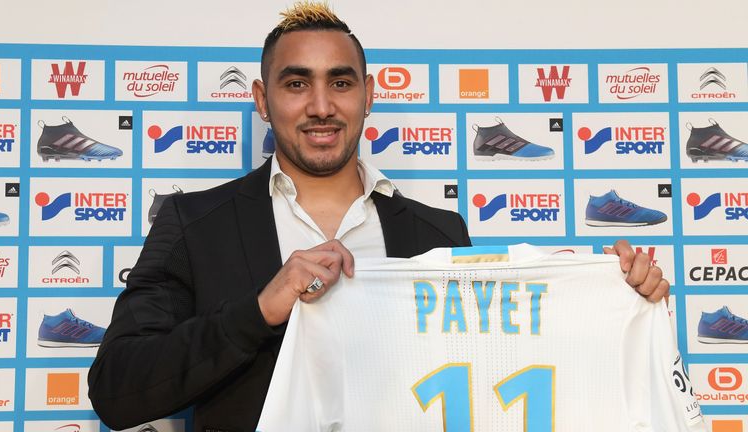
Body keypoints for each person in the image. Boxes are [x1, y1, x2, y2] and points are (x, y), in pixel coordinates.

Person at [87, 3, 669, 431]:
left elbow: (503, 373)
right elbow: (117, 391)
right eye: (297, 84)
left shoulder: (439, 233)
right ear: (262, 100)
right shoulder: (194, 222)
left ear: (367, 94)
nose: (321, 106)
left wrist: (618, 304)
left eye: (340, 83)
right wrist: (260, 310)